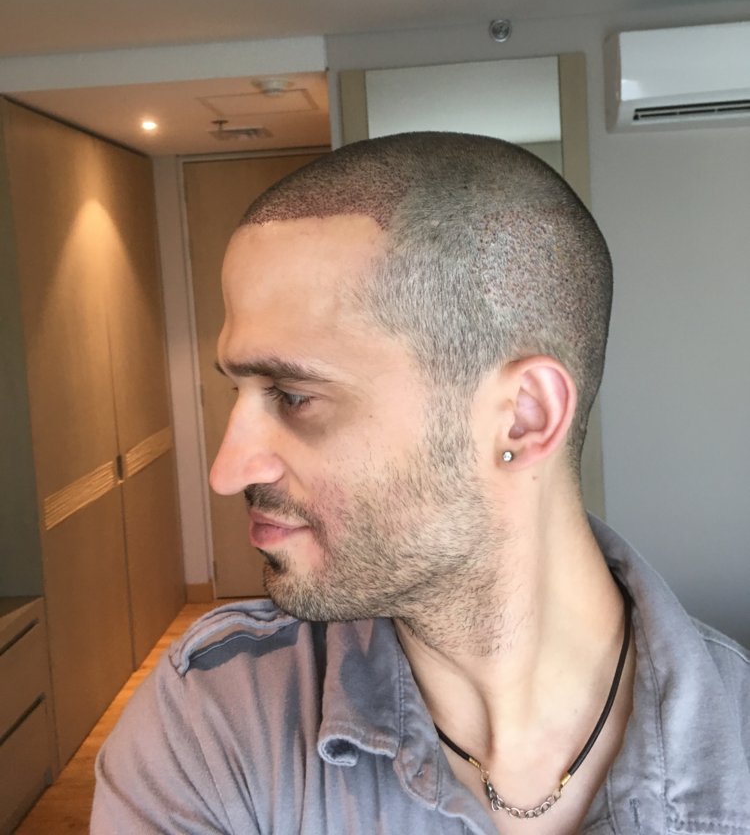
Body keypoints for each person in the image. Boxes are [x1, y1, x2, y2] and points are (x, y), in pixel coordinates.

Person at [92, 133, 750, 834]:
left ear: (523, 418)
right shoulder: (216, 723)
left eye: (293, 396)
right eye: (238, 391)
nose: (228, 470)